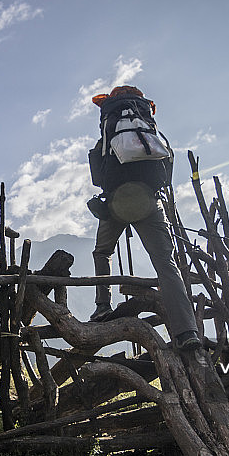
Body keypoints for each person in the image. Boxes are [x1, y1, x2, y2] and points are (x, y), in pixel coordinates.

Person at [88, 85, 200, 351]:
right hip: (149, 201)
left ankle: (102, 306)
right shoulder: (151, 133)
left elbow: (97, 174)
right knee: (165, 264)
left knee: (102, 252)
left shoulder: (109, 133)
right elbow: (167, 166)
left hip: (117, 202)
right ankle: (187, 332)